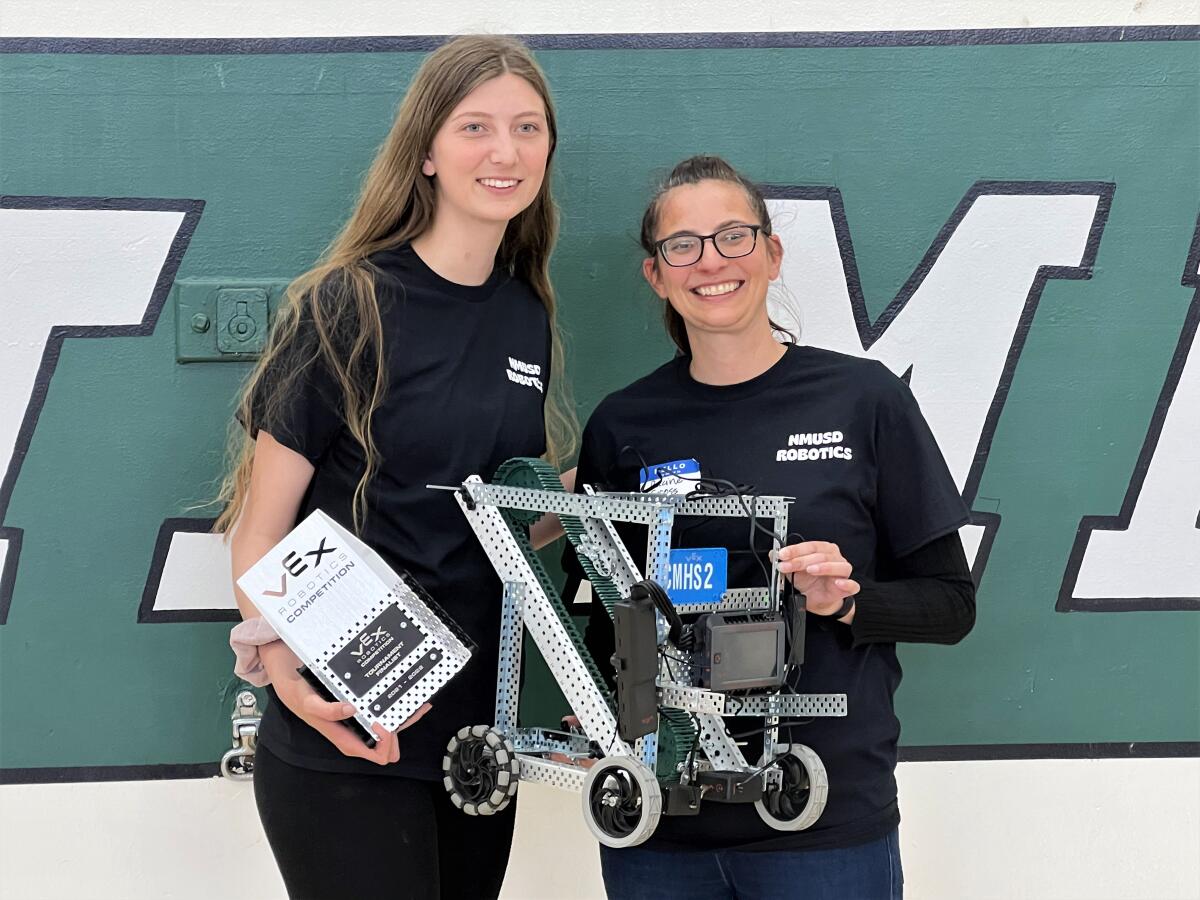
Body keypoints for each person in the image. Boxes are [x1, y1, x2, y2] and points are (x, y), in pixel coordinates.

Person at [217, 35, 574, 900]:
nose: (505, 151)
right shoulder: (351, 302)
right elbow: (259, 531)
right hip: (348, 739)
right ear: (426, 151)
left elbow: (487, 516)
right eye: (475, 127)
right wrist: (293, 679)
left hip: (472, 745)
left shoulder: (524, 312)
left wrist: (600, 503)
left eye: (528, 128)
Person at [568, 156, 976, 900]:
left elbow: (952, 605)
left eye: (732, 236)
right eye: (682, 246)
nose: (711, 262)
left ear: (771, 251)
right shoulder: (624, 425)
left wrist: (845, 602)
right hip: (660, 828)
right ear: (656, 275)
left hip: (818, 822)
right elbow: (600, 613)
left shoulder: (864, 400)